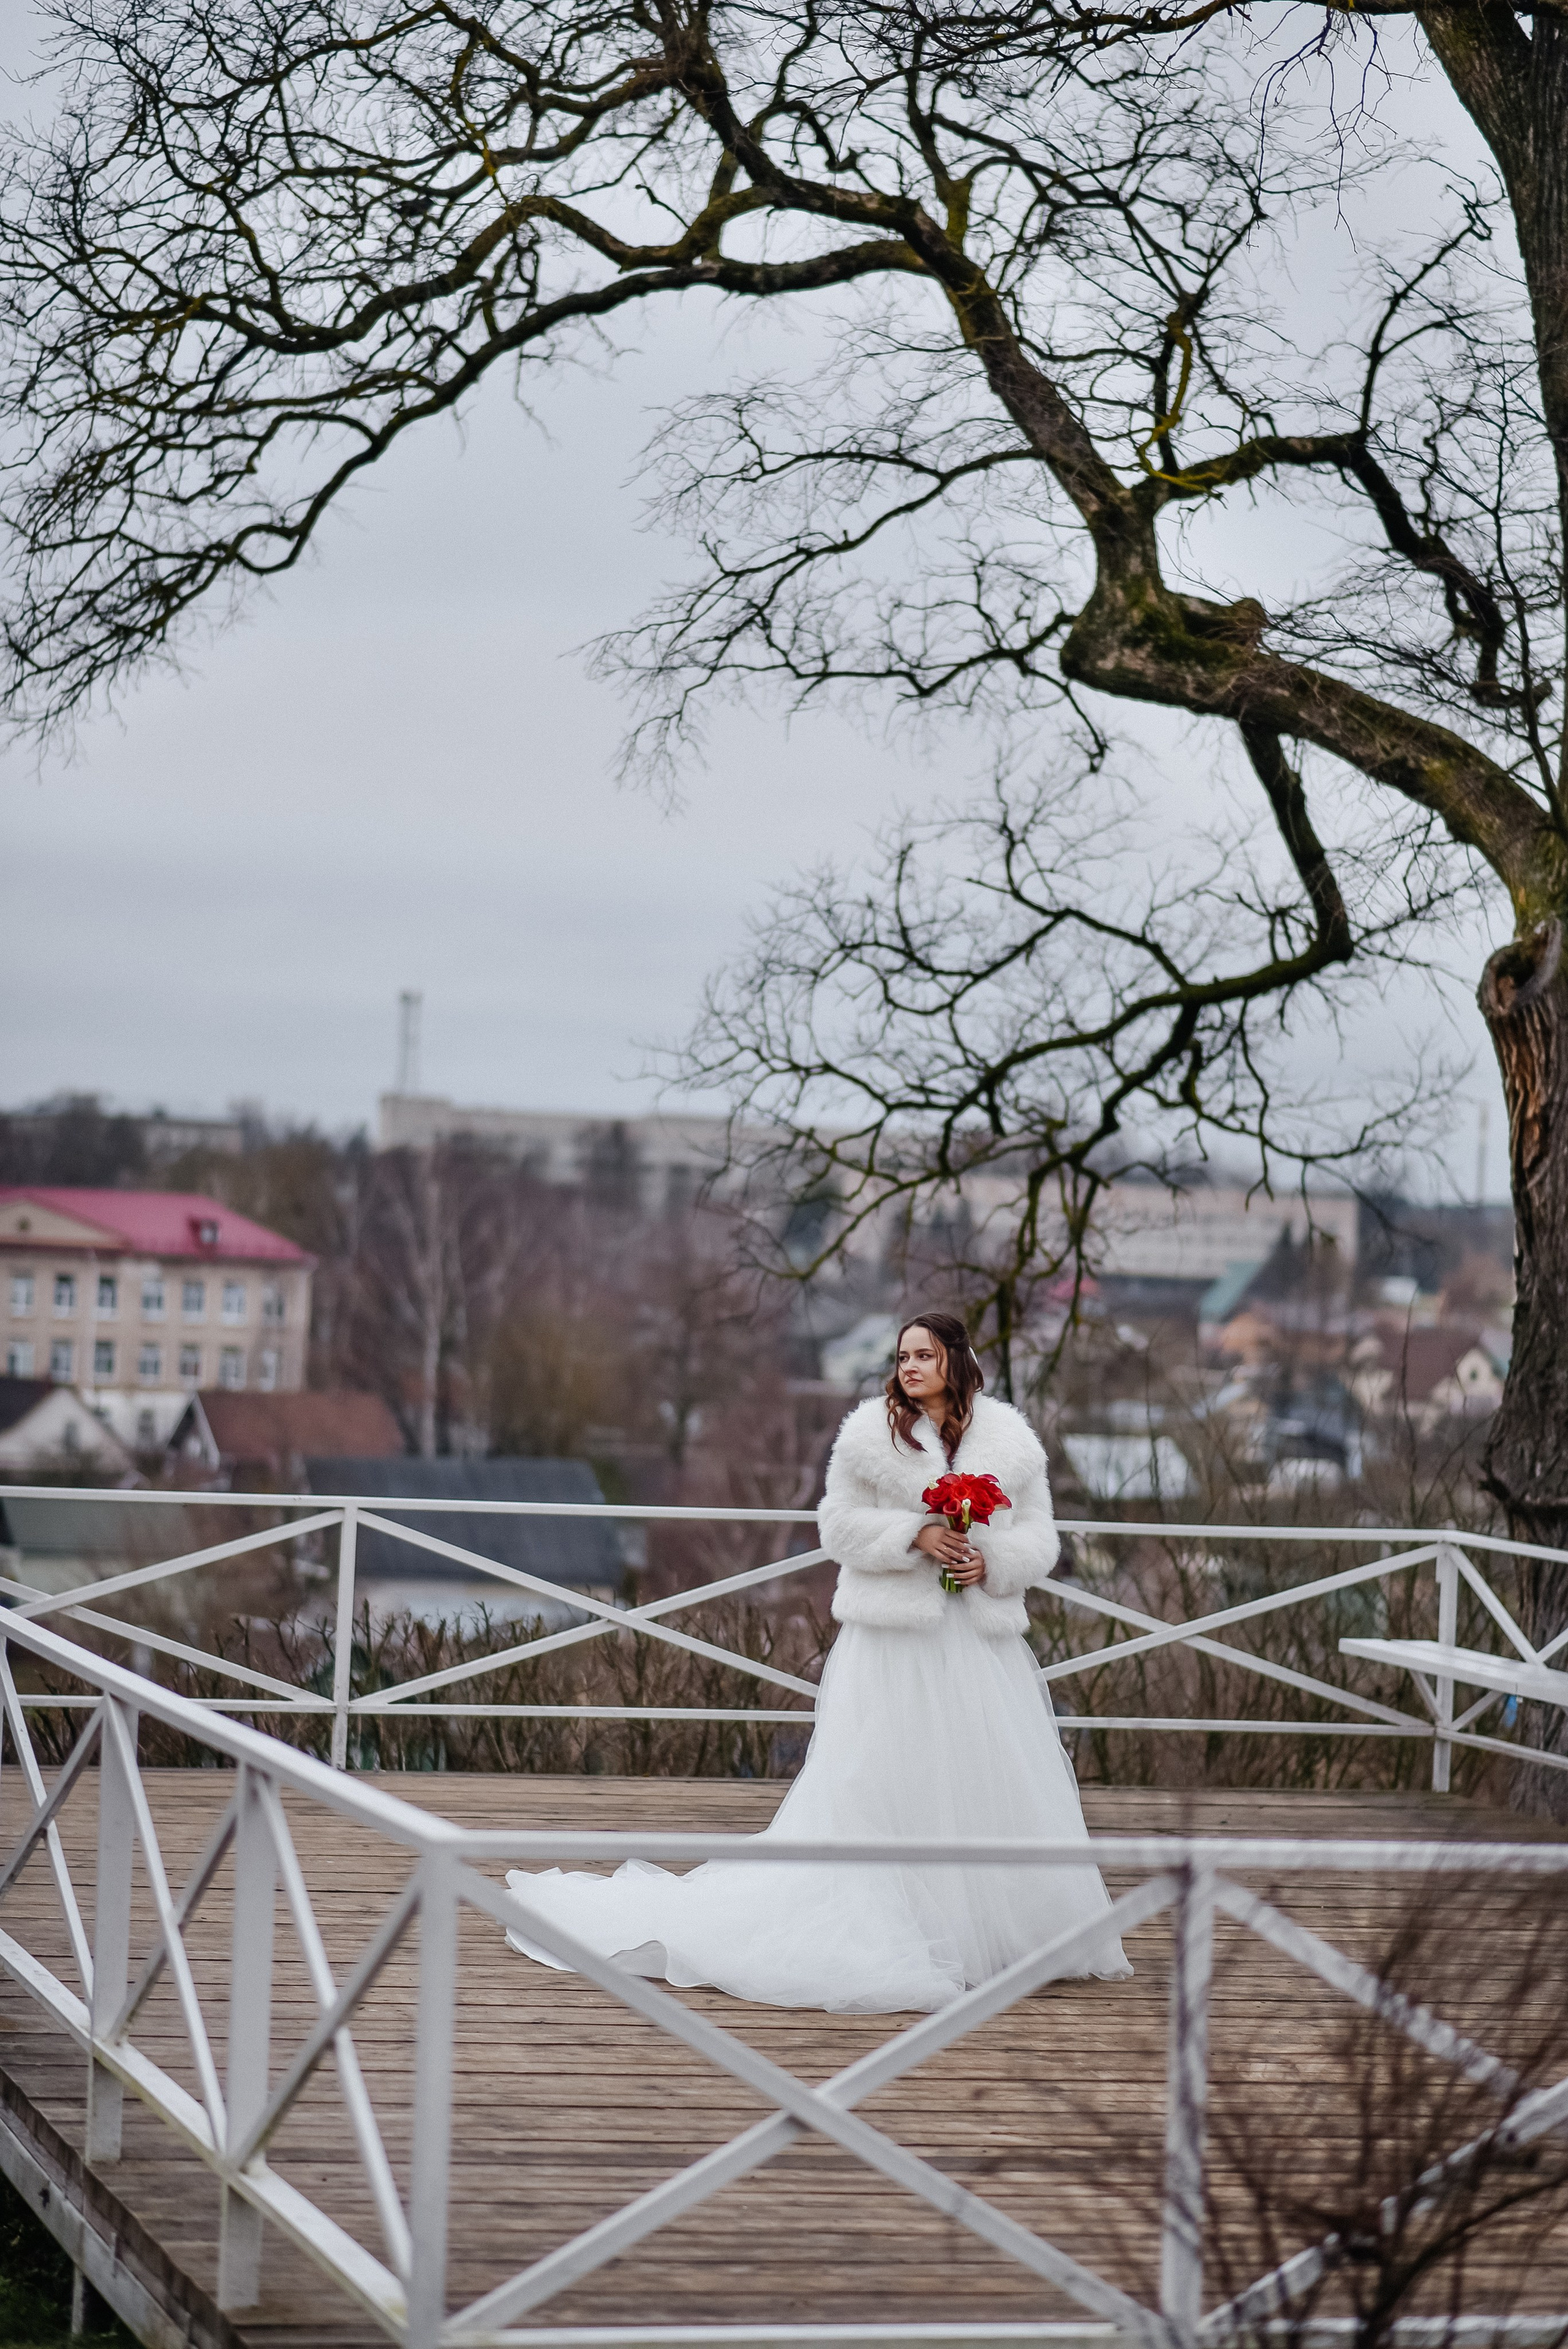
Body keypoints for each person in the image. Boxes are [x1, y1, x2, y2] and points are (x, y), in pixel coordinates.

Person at [502, 1310, 1130, 2012]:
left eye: (924, 1355)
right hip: (893, 1642)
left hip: (980, 1646)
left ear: (957, 1361)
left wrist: (992, 1559)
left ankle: (993, 1933)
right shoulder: (869, 1436)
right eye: (902, 1356)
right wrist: (915, 1534)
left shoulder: (1011, 1439)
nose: (909, 1366)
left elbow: (1040, 1536)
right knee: (883, 1779)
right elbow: (837, 1525)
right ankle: (909, 1926)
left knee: (984, 1775)